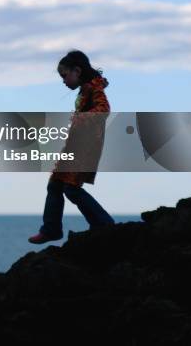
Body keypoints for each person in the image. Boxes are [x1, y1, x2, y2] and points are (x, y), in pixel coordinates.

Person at [28, 49, 115, 244]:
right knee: (55, 185)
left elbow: (103, 110)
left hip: (85, 147)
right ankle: (51, 229)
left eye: (65, 75)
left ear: (77, 70)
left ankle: (104, 224)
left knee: (71, 188)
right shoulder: (87, 88)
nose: (63, 81)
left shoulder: (94, 88)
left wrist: (80, 119)